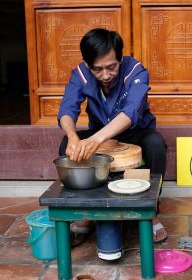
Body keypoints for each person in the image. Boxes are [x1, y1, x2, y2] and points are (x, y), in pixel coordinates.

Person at [57, 28, 168, 244]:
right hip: (101, 133)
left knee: (155, 144)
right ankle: (85, 214)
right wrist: (72, 136)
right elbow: (67, 109)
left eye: (111, 67)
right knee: (65, 145)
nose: (105, 75)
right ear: (88, 66)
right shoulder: (80, 74)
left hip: (135, 133)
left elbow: (131, 112)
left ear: (120, 58)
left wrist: (94, 140)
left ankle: (151, 211)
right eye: (97, 69)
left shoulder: (136, 70)